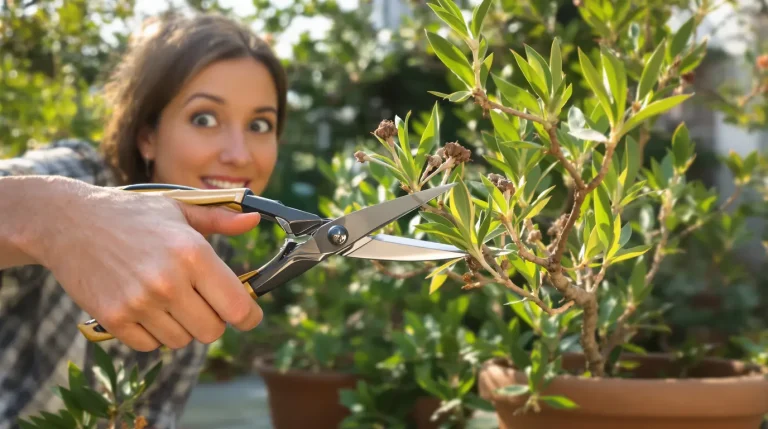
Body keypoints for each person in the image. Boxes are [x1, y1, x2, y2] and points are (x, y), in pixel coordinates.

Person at [0, 11, 287, 428]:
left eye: (260, 124)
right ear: (147, 135)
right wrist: (56, 216)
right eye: (204, 118)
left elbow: (157, 414)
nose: (239, 154)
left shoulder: (213, 251)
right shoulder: (79, 179)